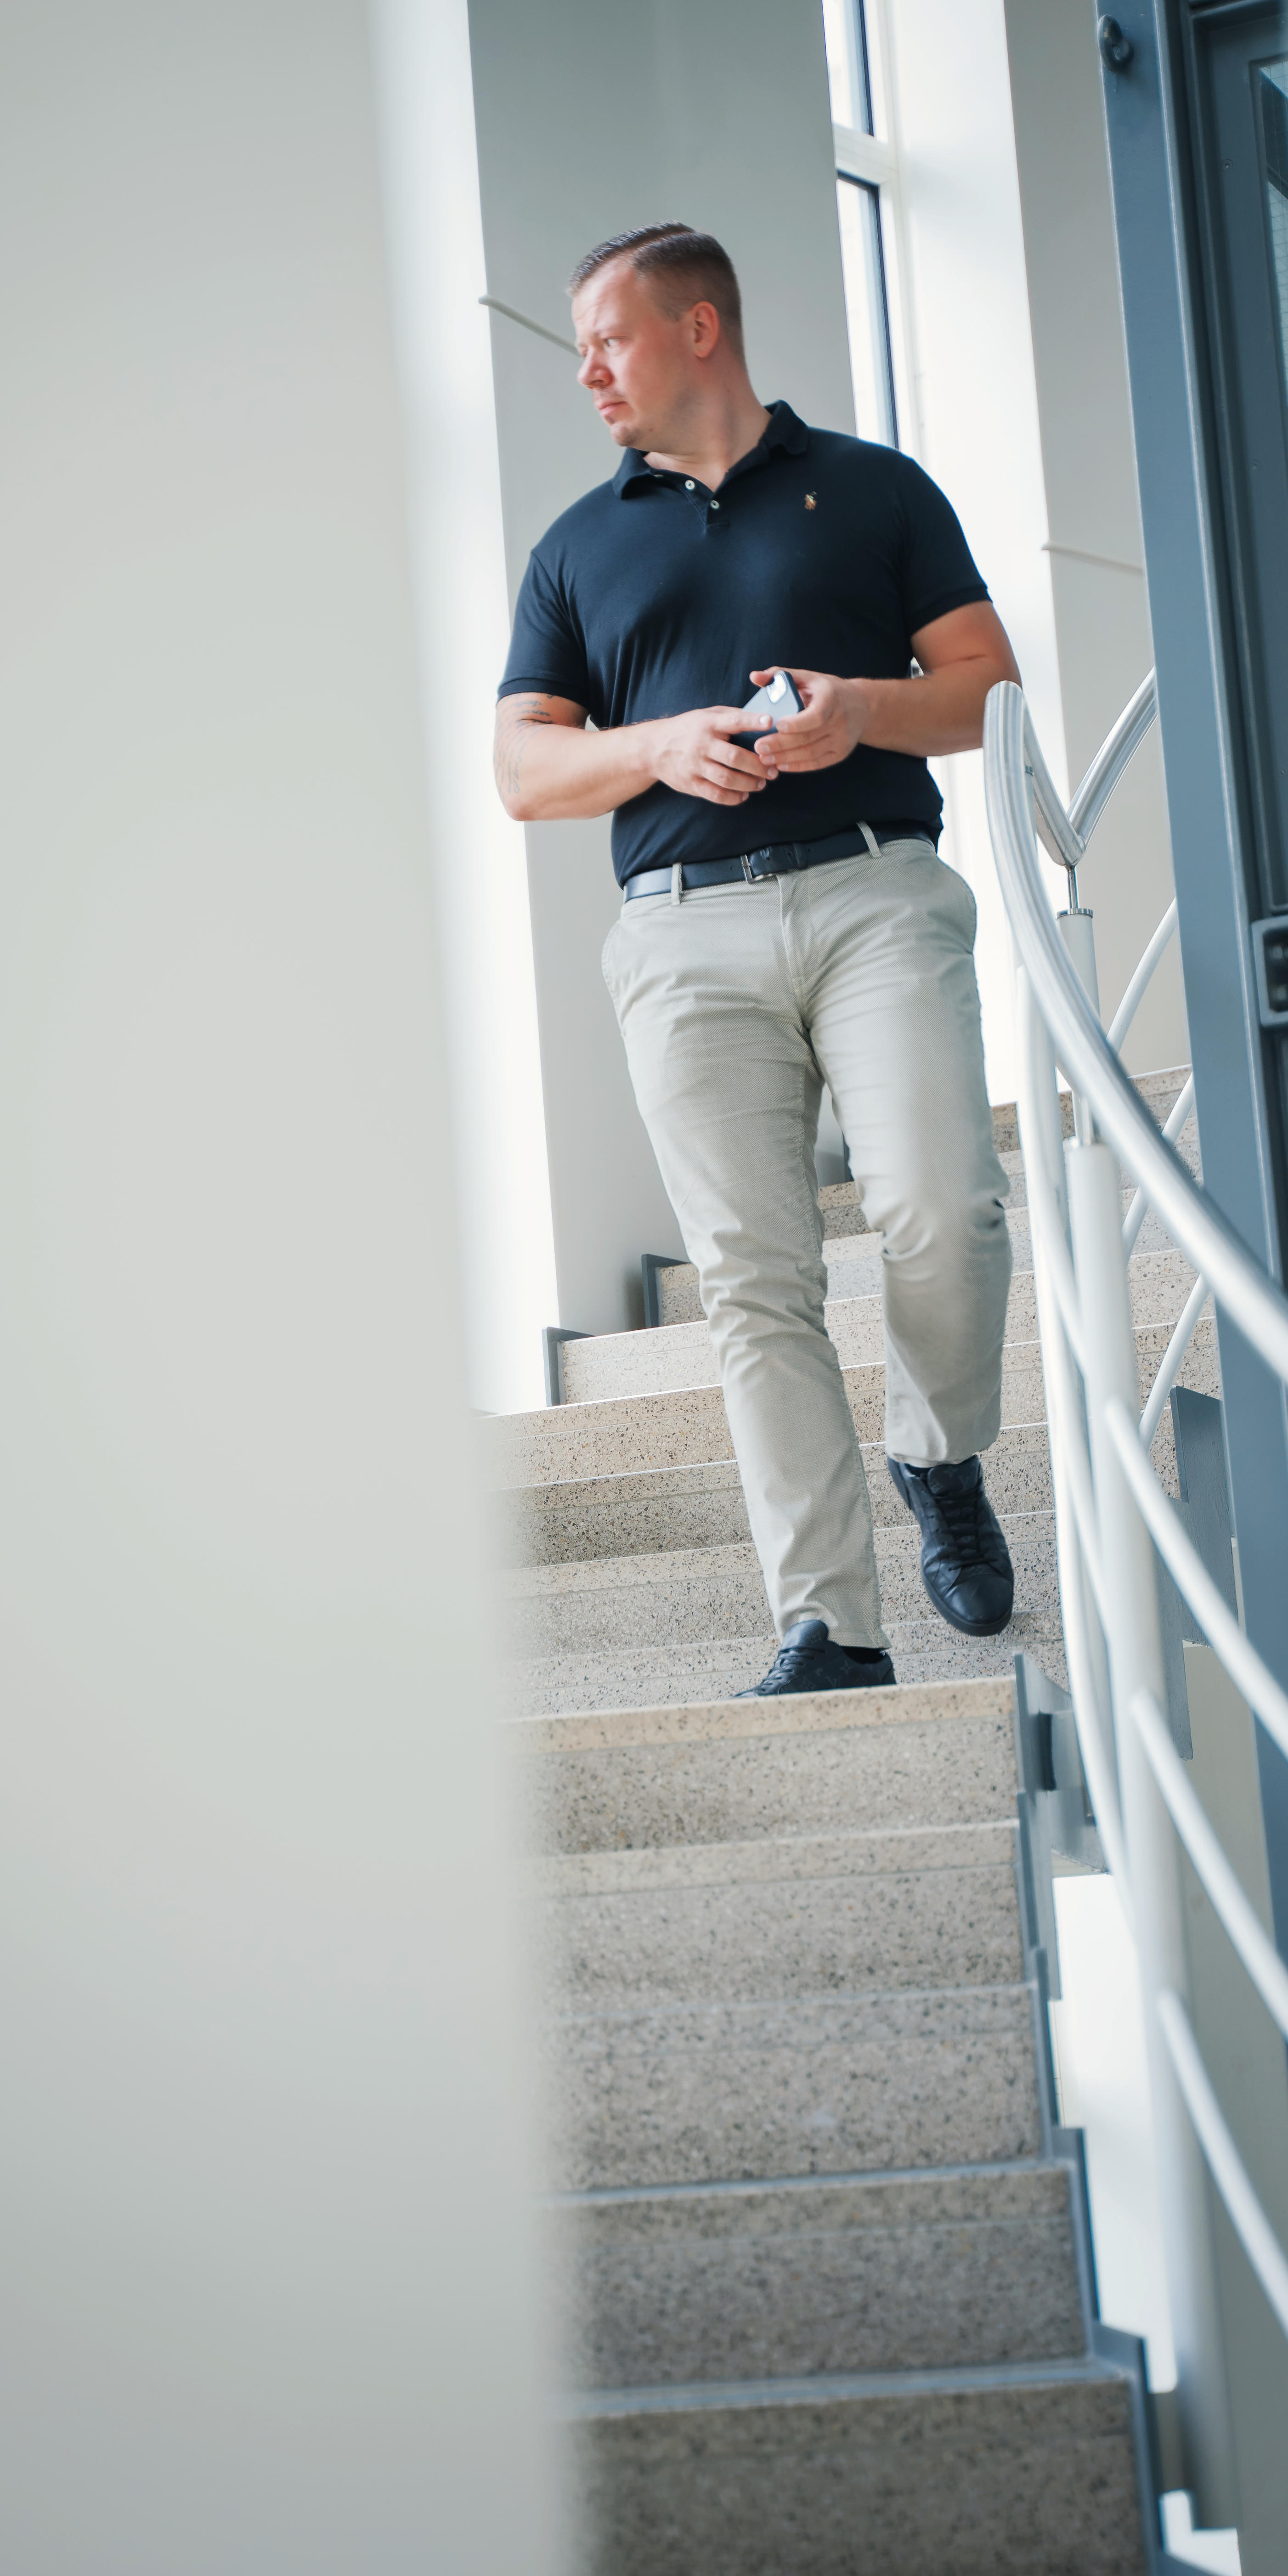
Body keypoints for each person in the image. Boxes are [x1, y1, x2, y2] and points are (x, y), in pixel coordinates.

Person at [494, 222, 1020, 1699]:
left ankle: (939, 1452)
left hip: (874, 897)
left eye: (610, 337)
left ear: (702, 328)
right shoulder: (579, 548)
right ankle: (831, 1629)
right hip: (682, 933)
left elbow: (985, 690)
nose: (588, 369)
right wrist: (660, 743)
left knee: (943, 1211)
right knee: (754, 1282)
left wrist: (856, 708)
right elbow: (521, 772)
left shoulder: (872, 489)